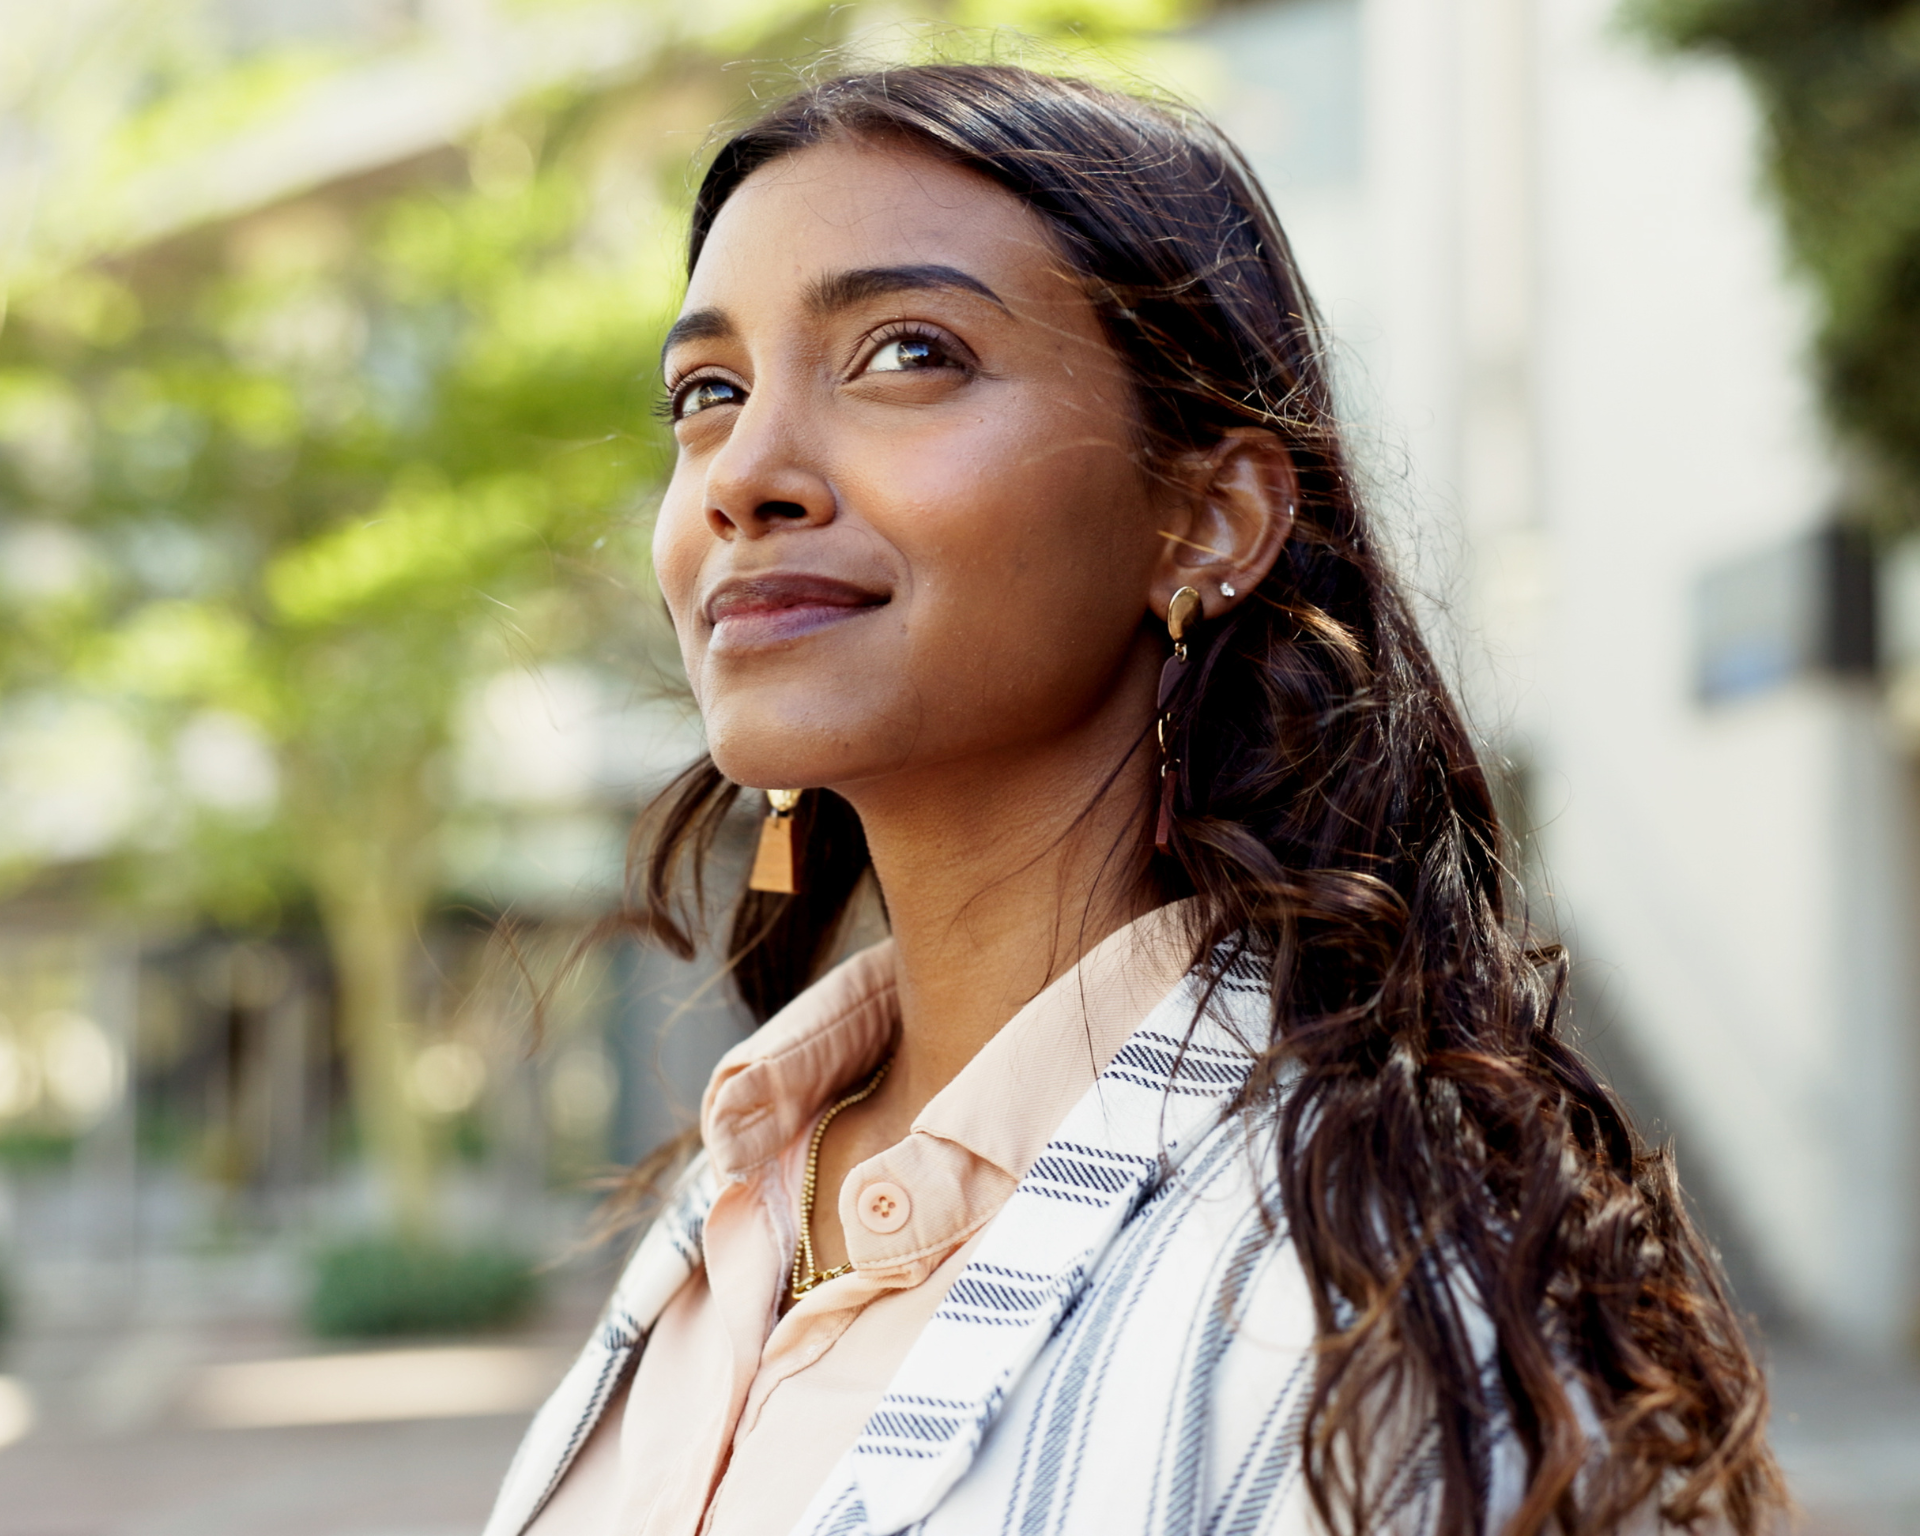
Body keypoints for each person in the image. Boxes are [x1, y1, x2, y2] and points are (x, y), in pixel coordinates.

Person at [484, 63, 1783, 1536]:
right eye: (706, 393)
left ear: (1209, 517)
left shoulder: (1351, 1303)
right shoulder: (744, 1187)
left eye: (908, 354)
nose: (746, 475)